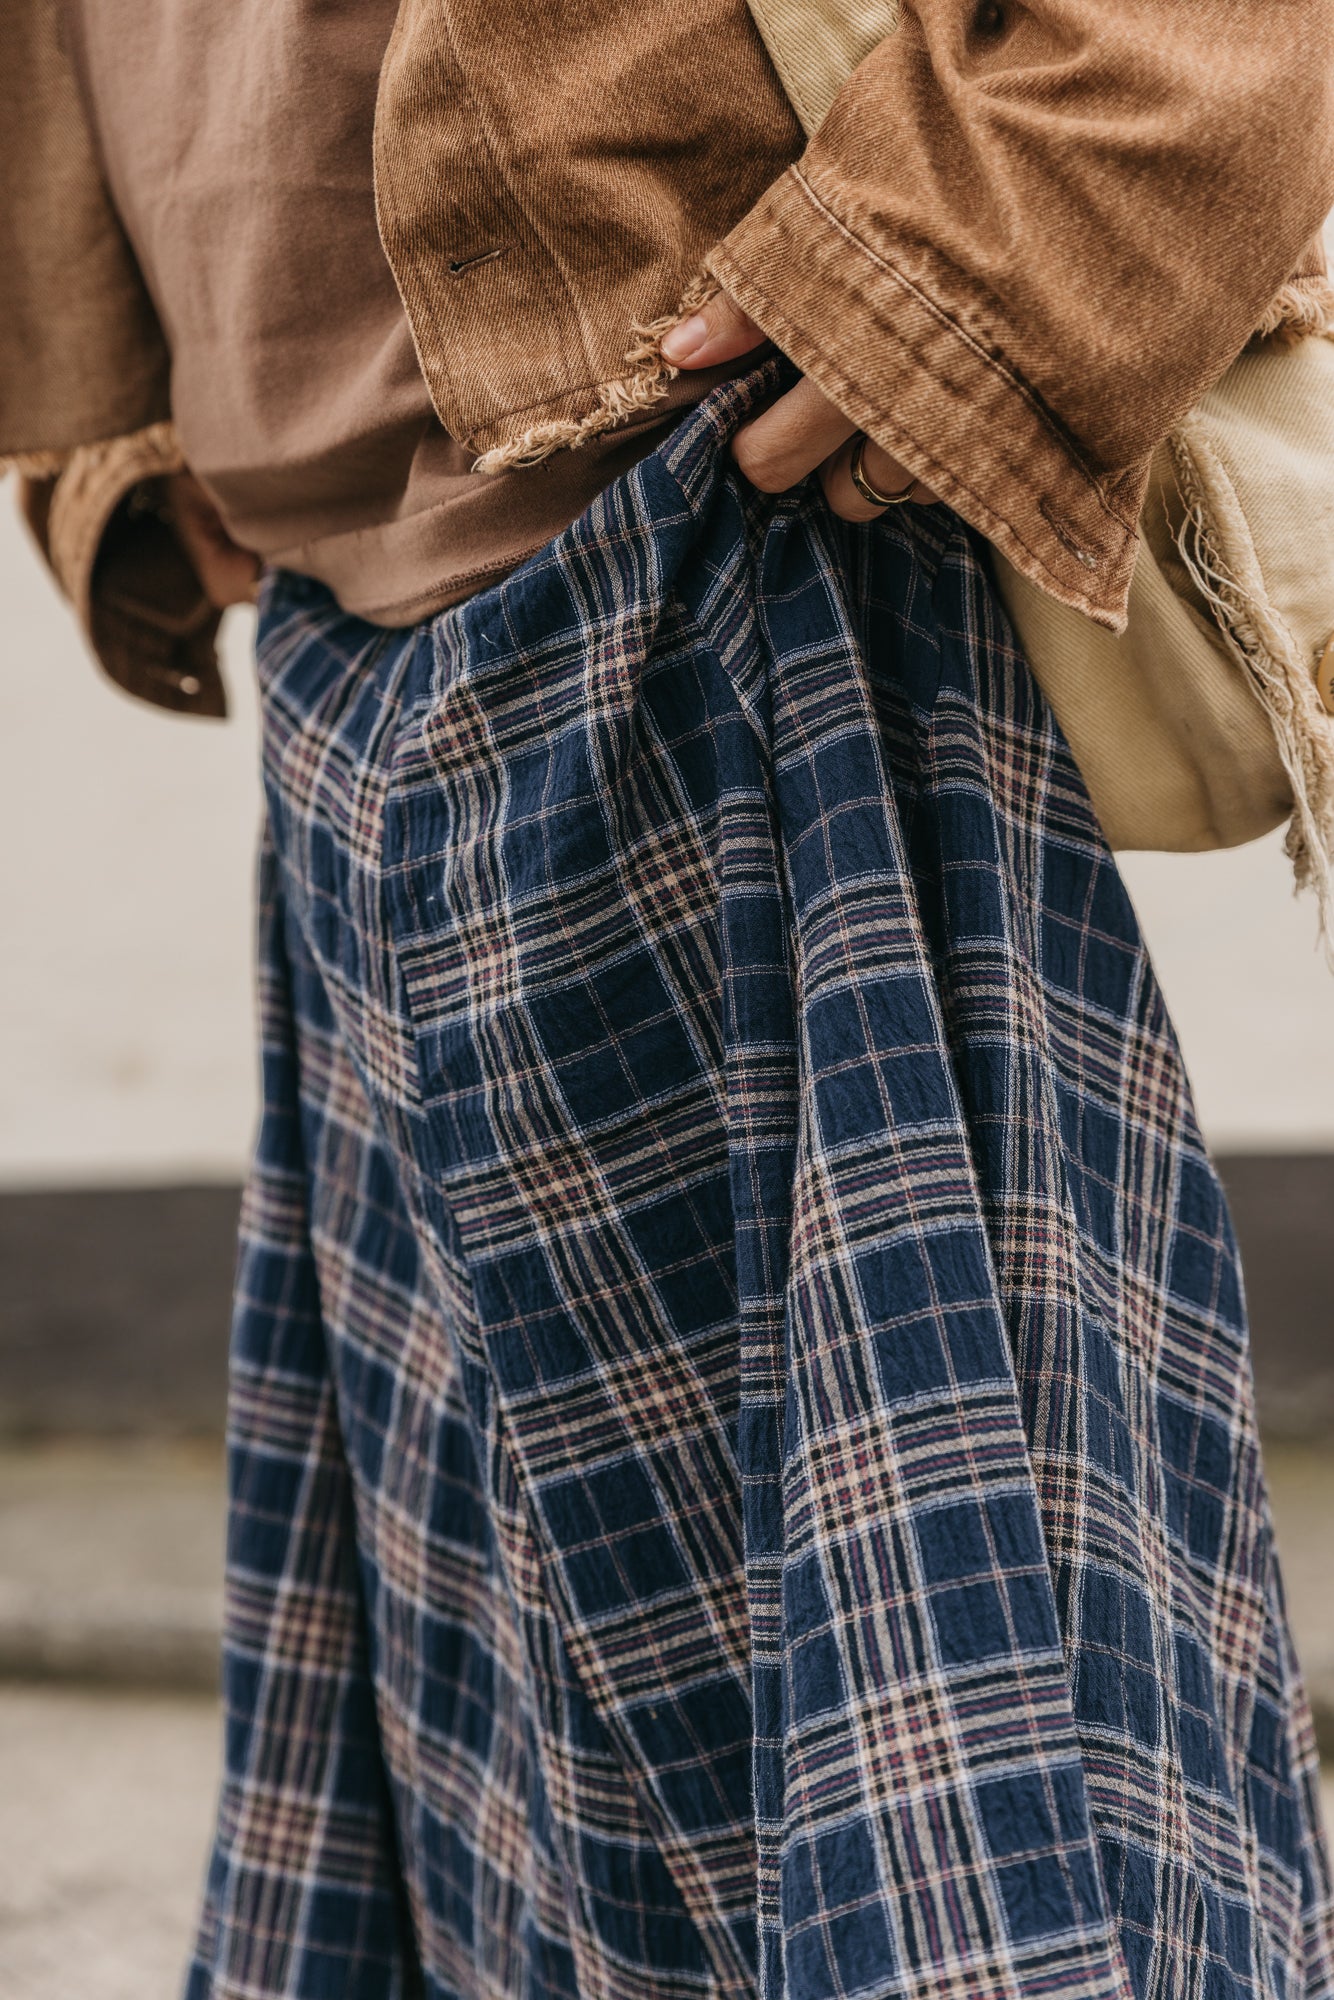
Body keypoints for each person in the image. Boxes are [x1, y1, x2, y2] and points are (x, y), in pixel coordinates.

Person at [5, 4, 1334, 1997]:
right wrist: (102, 413)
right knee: (522, 1831)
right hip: (344, 645)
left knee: (947, 1798)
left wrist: (991, 246)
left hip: (755, 553)